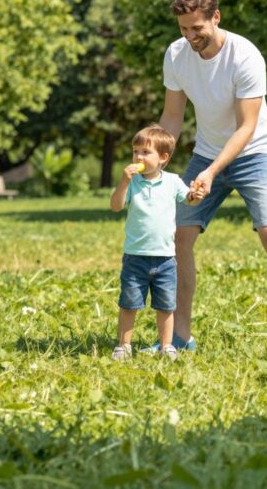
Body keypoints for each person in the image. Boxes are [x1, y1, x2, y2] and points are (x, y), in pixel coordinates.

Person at [156, 0, 267, 358]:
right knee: (178, 238)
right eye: (183, 29)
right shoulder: (176, 55)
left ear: (216, 17)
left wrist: (212, 172)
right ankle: (180, 337)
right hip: (206, 154)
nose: (190, 36)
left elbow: (246, 127)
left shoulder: (245, 56)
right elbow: (173, 117)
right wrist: (156, 162)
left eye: (197, 28)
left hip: (254, 153)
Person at [108, 125, 204, 361]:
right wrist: (124, 182)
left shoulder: (172, 181)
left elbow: (188, 199)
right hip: (136, 256)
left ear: (163, 157)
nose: (138, 157)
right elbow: (116, 206)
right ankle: (124, 345)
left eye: (145, 152)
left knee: (166, 306)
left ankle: (166, 345)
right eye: (135, 151)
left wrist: (195, 195)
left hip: (165, 259)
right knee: (129, 304)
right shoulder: (133, 183)